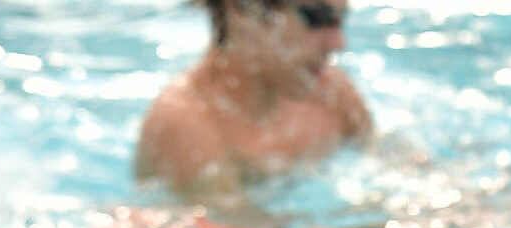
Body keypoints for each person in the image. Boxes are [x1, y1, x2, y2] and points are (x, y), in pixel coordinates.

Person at [136, 0, 374, 193]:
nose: (338, 43)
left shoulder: (329, 90)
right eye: (316, 18)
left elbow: (389, 161)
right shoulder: (189, 124)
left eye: (341, 19)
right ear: (243, 7)